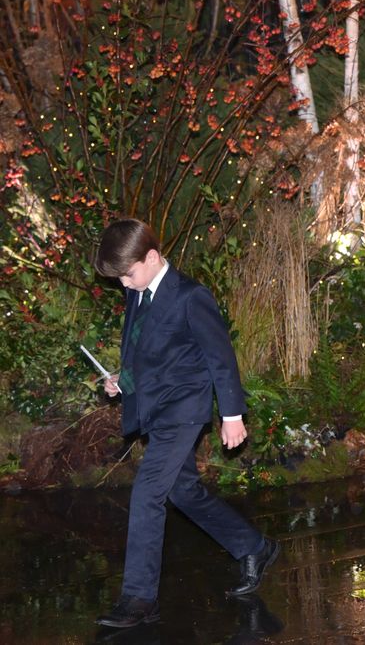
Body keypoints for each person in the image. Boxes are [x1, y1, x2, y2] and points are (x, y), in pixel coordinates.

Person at [93, 219, 279, 629]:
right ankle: (254, 546)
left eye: (128, 273)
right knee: (183, 492)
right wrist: (121, 381)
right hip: (157, 411)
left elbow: (220, 356)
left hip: (184, 411)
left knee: (147, 494)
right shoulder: (138, 294)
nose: (124, 284)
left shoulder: (191, 296)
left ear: (153, 257)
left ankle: (140, 599)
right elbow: (144, 352)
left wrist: (232, 415)